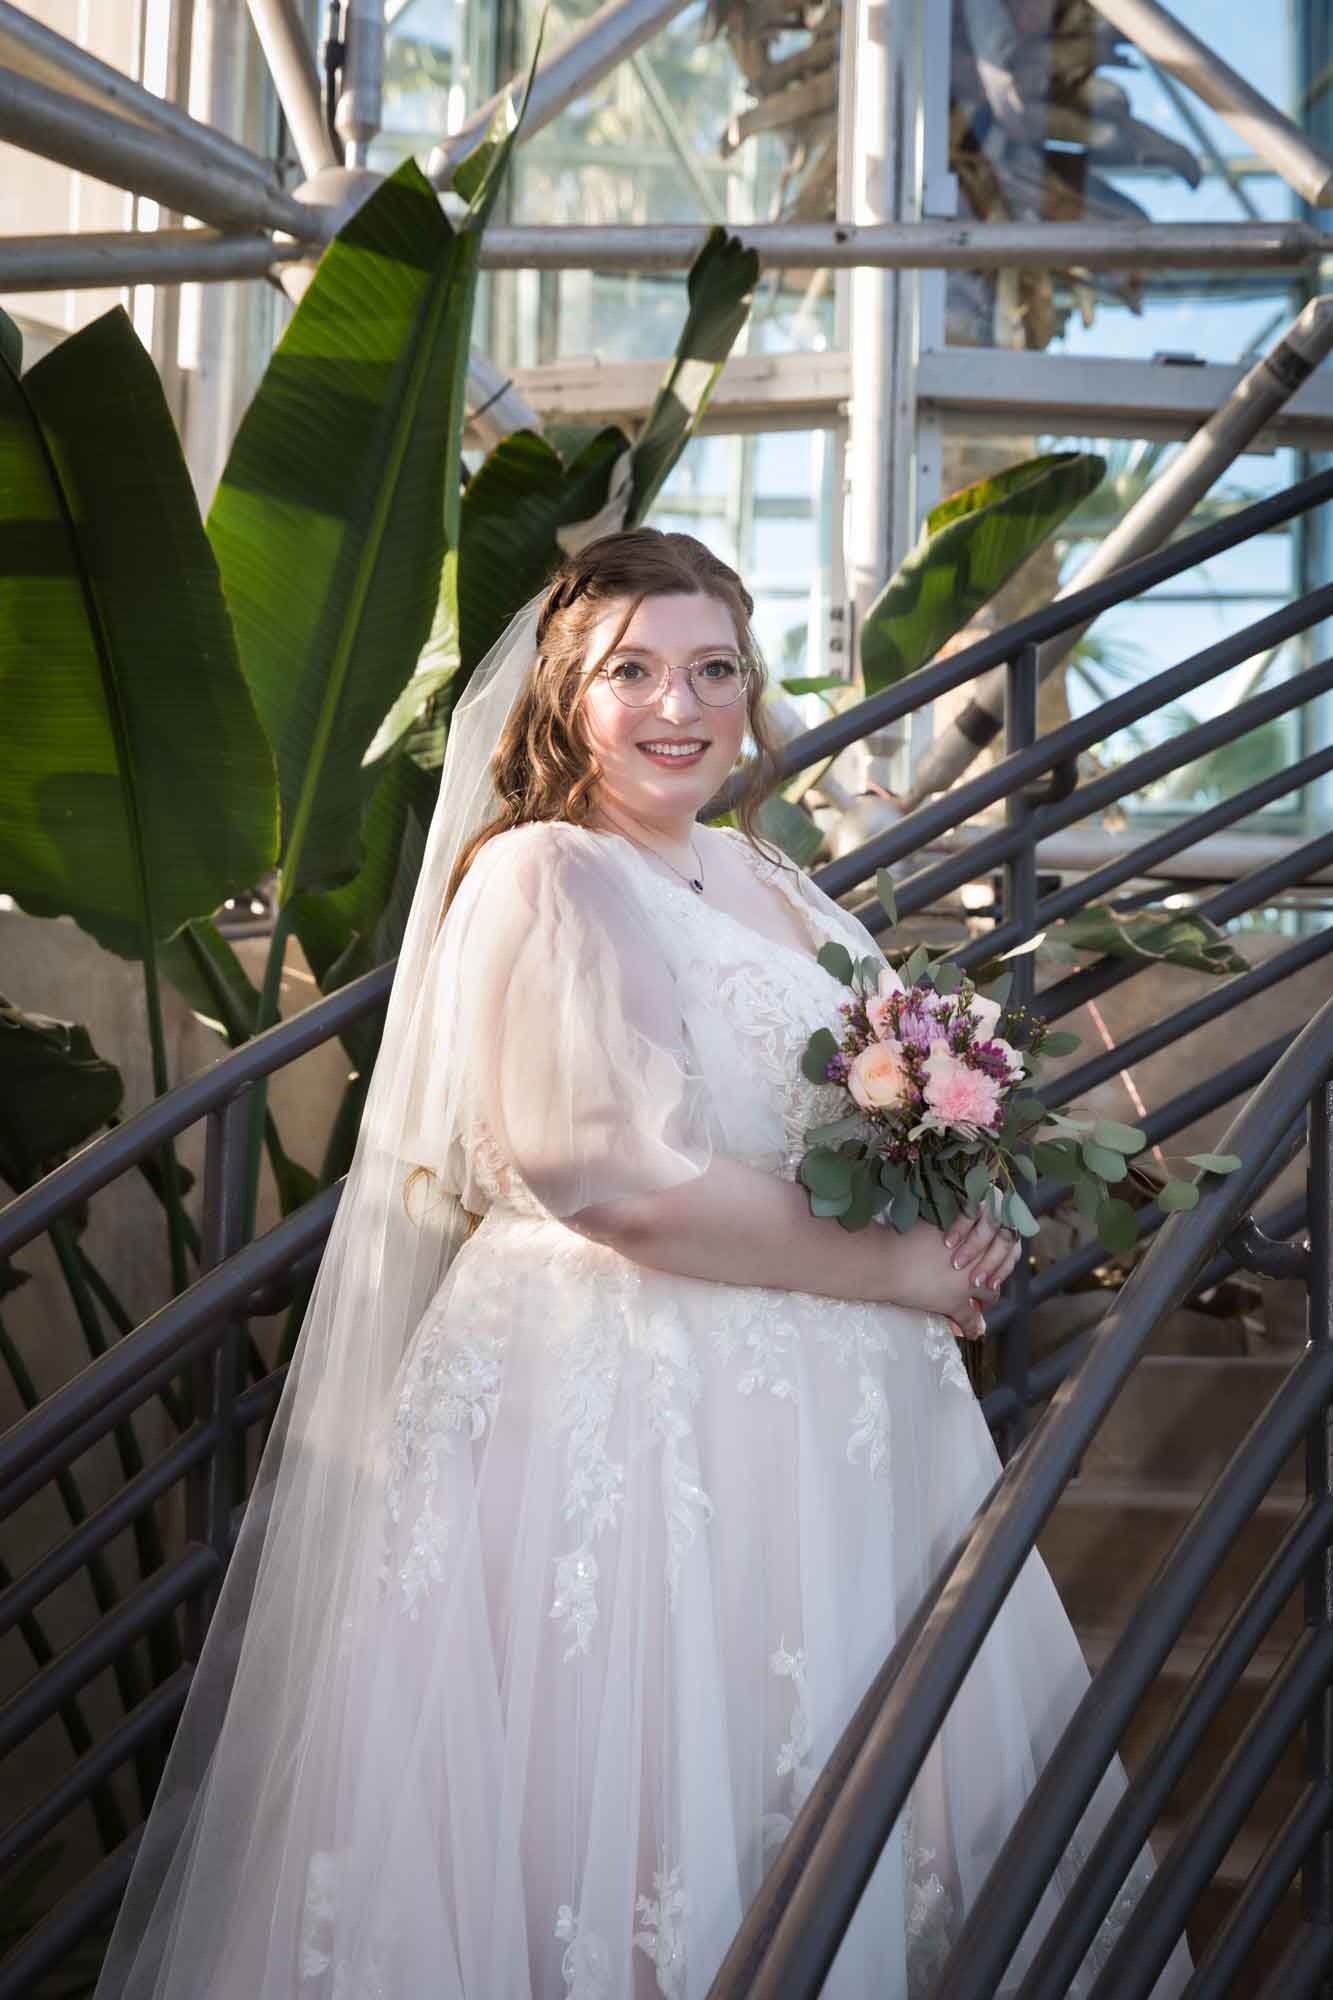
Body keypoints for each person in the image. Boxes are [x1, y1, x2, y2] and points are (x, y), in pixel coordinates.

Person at [95, 529, 1189, 1998]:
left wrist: (957, 1196)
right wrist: (896, 1272)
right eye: (633, 673)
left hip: (821, 1432)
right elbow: (594, 1169)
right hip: (621, 1408)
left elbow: (844, 1106)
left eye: (713, 669)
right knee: (617, 1806)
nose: (678, 705)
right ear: (565, 696)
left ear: (752, 688)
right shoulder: (544, 872)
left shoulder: (767, 877)